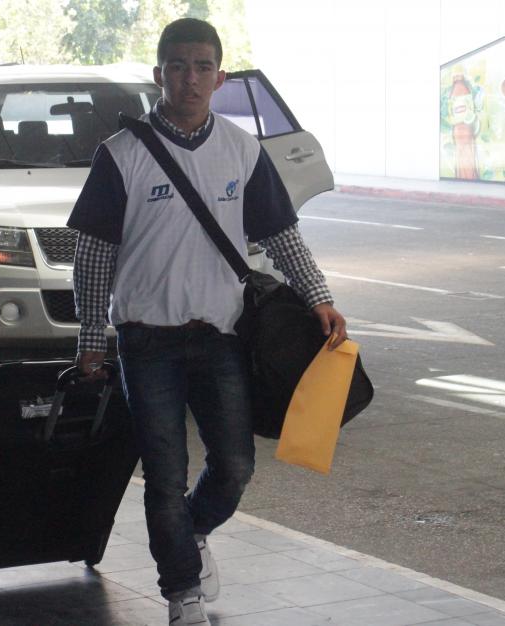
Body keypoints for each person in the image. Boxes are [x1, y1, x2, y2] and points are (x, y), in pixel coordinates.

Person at [68, 17, 347, 626]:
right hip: (146, 343)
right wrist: (92, 339)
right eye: (177, 66)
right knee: (164, 477)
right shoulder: (122, 155)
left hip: (220, 337)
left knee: (236, 466)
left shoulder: (242, 150)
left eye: (202, 67)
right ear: (158, 74)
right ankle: (181, 592)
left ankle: (189, 535)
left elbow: (280, 234)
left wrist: (319, 296)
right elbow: (92, 254)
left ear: (220, 77)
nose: (189, 78)